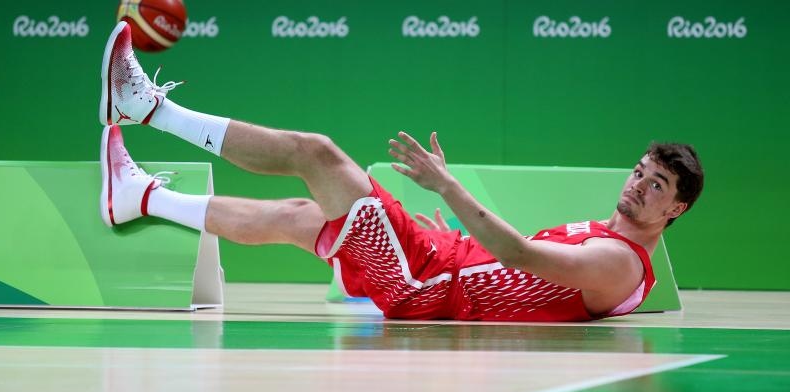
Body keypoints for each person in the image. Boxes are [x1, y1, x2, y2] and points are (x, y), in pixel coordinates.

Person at [99, 21, 704, 322]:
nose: (639, 185)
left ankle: (147, 108)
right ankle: (139, 197)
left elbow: (520, 256)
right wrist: (458, 244)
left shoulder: (620, 263)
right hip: (436, 265)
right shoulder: (605, 236)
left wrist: (447, 186)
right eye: (640, 171)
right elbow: (514, 278)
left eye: (657, 185)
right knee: (298, 217)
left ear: (675, 209)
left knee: (317, 155)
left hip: (423, 280)